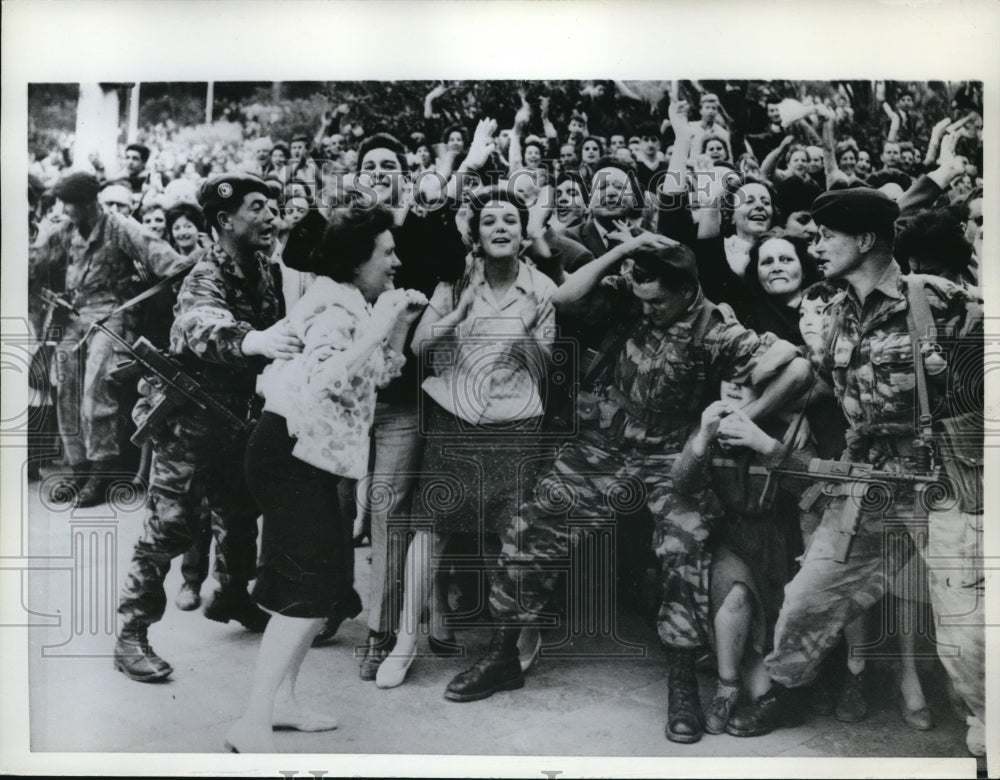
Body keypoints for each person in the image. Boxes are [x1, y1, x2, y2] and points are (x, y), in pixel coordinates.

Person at [443, 236, 811, 747]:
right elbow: (566, 299)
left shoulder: (715, 327)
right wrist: (627, 249)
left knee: (684, 547)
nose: (649, 309)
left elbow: (797, 367)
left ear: (688, 291)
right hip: (605, 443)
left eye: (659, 301)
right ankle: (504, 652)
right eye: (643, 299)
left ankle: (682, 683)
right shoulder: (628, 295)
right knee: (532, 523)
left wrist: (745, 417)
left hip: (669, 455)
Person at [738, 189, 984, 759]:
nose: (815, 246)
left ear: (866, 240)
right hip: (870, 479)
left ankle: (986, 731)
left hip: (943, 480)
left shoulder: (944, 302)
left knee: (966, 628)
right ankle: (791, 689)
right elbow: (823, 375)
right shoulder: (835, 311)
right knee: (808, 596)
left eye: (827, 236)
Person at [224, 203, 427, 753]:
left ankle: (282, 704)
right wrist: (383, 322)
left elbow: (377, 373)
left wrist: (397, 326)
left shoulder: (355, 304)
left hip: (312, 459)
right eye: (387, 253)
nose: (396, 261)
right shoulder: (332, 308)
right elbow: (324, 381)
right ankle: (253, 721)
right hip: (288, 456)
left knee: (325, 588)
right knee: (309, 594)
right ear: (358, 260)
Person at [115, 173, 297, 682]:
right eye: (257, 207)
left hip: (238, 418)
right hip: (191, 423)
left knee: (239, 515)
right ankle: (131, 633)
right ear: (223, 221)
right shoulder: (204, 274)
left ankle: (233, 596)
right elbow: (200, 325)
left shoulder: (264, 269)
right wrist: (252, 341)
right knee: (168, 525)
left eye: (272, 207)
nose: (269, 216)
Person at [374, 187, 557, 689]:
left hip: (515, 425)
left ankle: (520, 637)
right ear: (475, 234)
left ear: (523, 235)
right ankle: (405, 640)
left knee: (514, 535)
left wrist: (522, 334)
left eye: (511, 221)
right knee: (431, 529)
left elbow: (545, 369)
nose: (500, 228)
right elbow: (418, 345)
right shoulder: (454, 281)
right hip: (454, 417)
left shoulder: (541, 288)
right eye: (490, 221)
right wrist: (454, 318)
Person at [28, 171, 190, 508]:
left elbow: (164, 258)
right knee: (66, 387)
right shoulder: (67, 229)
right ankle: (79, 467)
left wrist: (190, 279)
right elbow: (37, 259)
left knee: (94, 391)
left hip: (114, 312)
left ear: (89, 203)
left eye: (71, 204)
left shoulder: (120, 226)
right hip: (76, 314)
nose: (66, 210)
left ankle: (102, 472)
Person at [671, 380, 807, 735]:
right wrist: (702, 436)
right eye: (729, 376)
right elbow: (681, 482)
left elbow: (810, 485)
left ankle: (764, 692)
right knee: (735, 594)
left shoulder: (785, 426)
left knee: (766, 675)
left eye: (749, 381)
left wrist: (766, 445)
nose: (735, 385)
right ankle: (726, 686)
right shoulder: (712, 424)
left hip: (778, 543)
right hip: (731, 538)